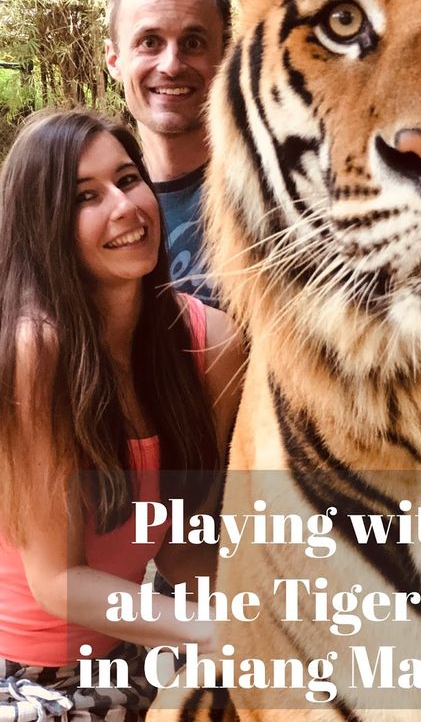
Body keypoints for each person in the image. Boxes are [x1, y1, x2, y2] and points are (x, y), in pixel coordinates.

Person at [0, 109, 244, 721]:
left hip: (128, 653)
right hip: (25, 680)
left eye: (128, 179)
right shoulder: (38, 351)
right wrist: (228, 633)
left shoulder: (209, 341)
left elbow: (183, 548)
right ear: (44, 225)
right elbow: (57, 582)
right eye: (86, 196)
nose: (124, 206)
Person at [105, 0, 232, 307]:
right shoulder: (95, 210)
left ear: (225, 55)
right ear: (114, 61)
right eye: (149, 42)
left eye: (193, 43)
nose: (171, 65)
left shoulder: (277, 189)